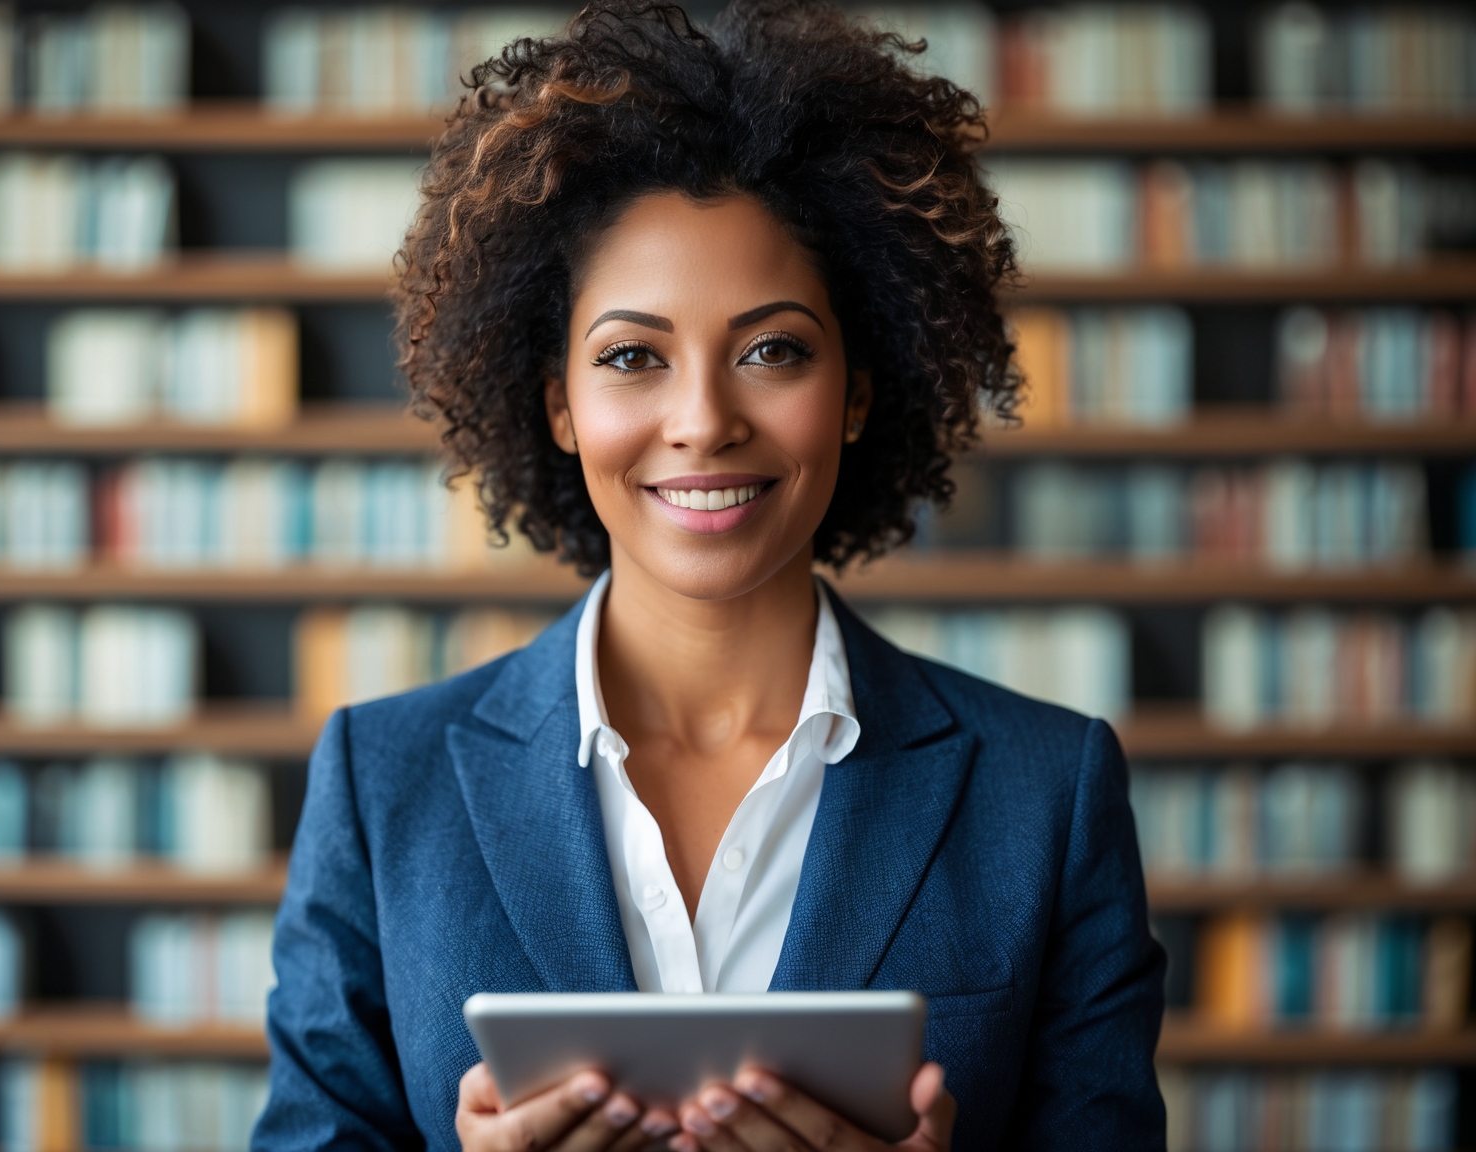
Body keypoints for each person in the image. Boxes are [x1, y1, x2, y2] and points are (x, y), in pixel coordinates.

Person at [253, 1, 1166, 1150]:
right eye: (633, 357)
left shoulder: (1049, 793)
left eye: (772, 350)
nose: (702, 421)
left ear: (859, 393)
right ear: (560, 406)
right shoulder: (383, 789)